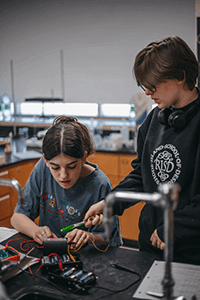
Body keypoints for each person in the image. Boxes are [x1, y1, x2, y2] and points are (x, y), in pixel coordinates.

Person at [84, 36, 200, 264]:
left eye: (153, 85)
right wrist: (110, 203)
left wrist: (174, 227)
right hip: (149, 243)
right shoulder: (153, 122)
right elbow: (141, 175)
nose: (147, 92)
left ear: (180, 76)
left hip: (190, 250)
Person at [11, 116, 122, 249]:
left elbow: (111, 239)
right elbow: (17, 217)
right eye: (55, 167)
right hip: (50, 254)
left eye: (71, 166)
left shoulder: (100, 184)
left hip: (85, 258)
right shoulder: (42, 168)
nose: (63, 176)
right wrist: (36, 231)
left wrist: (88, 236)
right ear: (46, 160)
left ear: (83, 157)